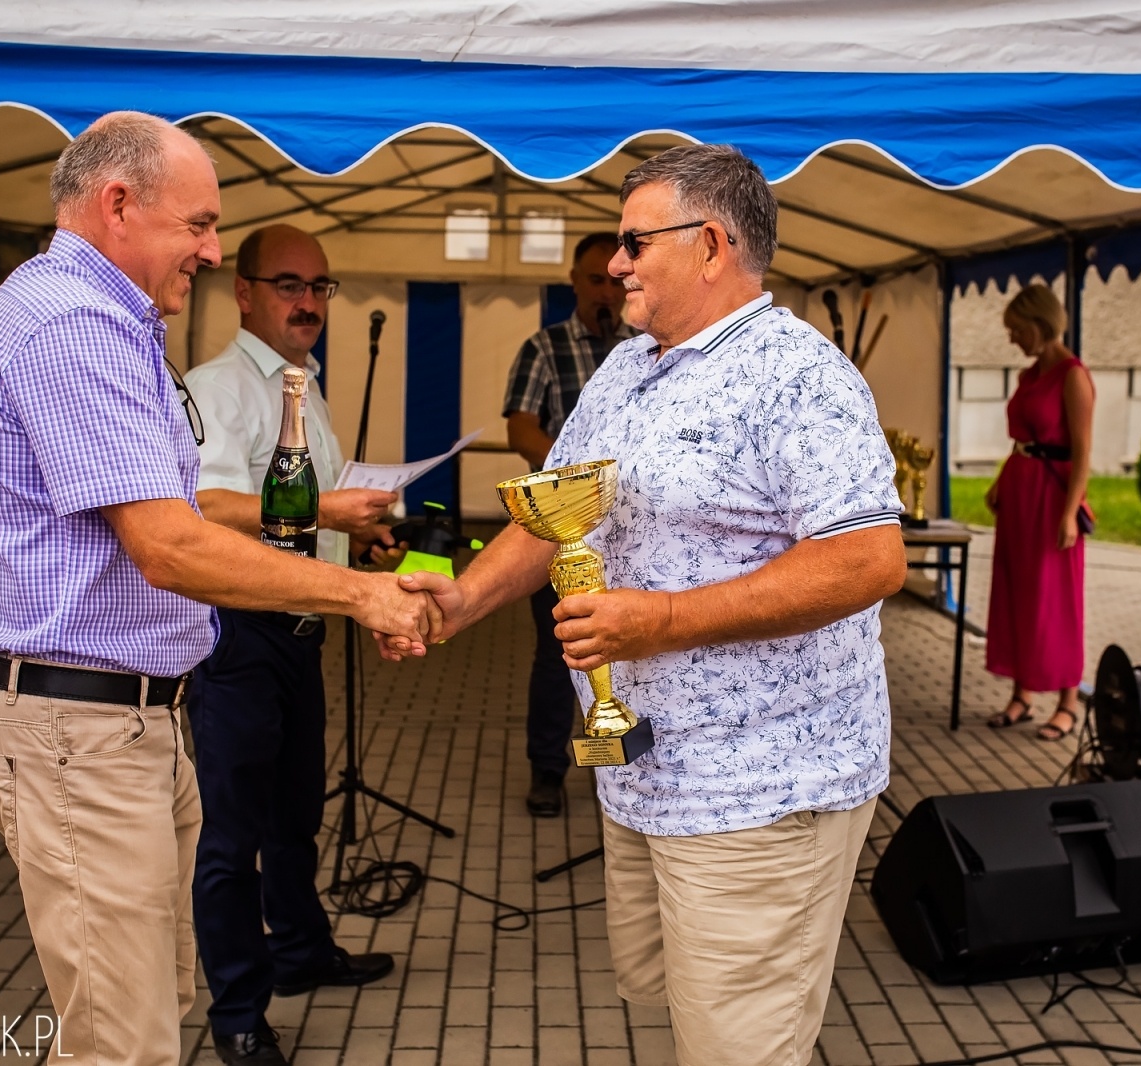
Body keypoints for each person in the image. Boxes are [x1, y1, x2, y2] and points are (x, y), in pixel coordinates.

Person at [383, 144, 907, 1066]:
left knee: (741, 1044)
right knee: (682, 1015)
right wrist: (459, 600)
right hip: (647, 776)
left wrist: (660, 621)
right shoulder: (628, 368)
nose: (615, 261)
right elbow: (555, 507)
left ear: (710, 244)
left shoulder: (802, 377)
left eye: (634, 241)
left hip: (759, 788)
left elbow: (866, 560)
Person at [0, 112, 439, 1066]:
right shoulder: (70, 324)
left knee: (142, 1013)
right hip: (76, 731)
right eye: (199, 225)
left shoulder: (97, 319)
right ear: (117, 203)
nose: (213, 253)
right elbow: (171, 543)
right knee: (123, 1039)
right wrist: (363, 598)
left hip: (121, 721)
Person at [182, 224, 399, 1065]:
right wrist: (323, 515)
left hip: (302, 628)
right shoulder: (216, 386)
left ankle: (302, 952)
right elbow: (200, 508)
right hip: (236, 635)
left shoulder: (307, 389)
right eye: (288, 285)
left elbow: (320, 518)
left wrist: (365, 542)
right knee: (232, 837)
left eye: (320, 288)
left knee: (295, 815)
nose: (308, 302)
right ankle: (238, 1012)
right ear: (243, 292)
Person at [501, 230, 635, 817]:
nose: (606, 291)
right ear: (575, 284)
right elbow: (520, 429)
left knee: (625, 649)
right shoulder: (543, 347)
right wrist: (573, 477)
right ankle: (547, 770)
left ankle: (620, 763)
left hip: (631, 537)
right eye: (595, 280)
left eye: (614, 280)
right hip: (560, 532)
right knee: (559, 654)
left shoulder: (645, 347)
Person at [984, 283, 1095, 741]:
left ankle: (1069, 701)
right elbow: (1021, 441)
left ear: (1039, 324)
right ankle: (1023, 693)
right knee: (1018, 594)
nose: (1013, 339)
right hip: (1020, 491)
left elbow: (1084, 452)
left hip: (1053, 499)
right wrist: (1000, 482)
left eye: (1016, 330)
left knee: (1055, 600)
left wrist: (1070, 514)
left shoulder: (1073, 375)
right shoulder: (1028, 376)